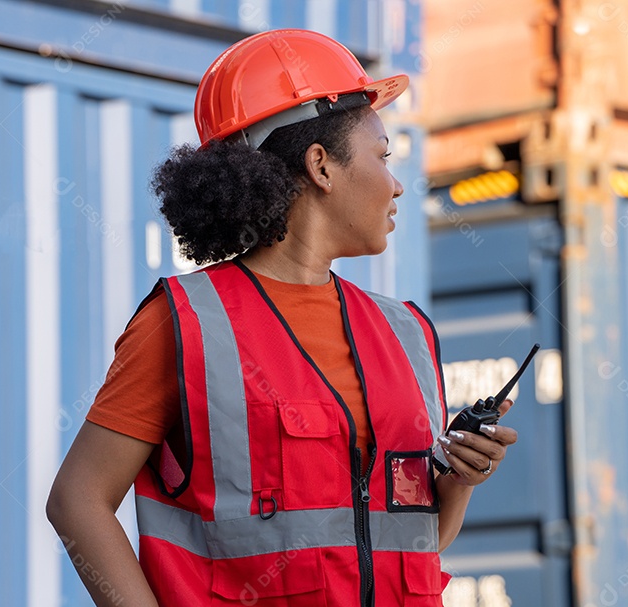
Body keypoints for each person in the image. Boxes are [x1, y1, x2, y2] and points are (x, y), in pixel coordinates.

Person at [47, 28, 518, 606]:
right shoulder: (188, 322)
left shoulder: (407, 334)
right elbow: (77, 500)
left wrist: (460, 482)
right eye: (383, 156)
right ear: (321, 165)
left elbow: (415, 543)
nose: (397, 186)